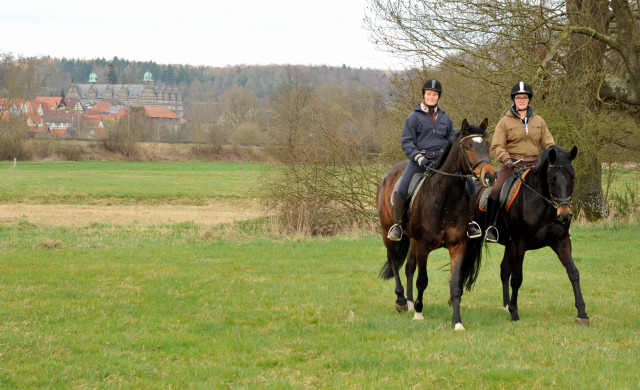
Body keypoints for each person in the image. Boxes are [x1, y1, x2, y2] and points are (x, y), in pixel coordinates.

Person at [387, 79, 482, 241]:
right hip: (420, 161)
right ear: (424, 95)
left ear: (439, 96)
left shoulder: (445, 117)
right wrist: (419, 158)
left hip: (441, 161)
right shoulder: (413, 118)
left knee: (471, 184)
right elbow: (407, 142)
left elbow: (452, 140)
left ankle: (471, 222)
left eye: (435, 94)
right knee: (402, 187)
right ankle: (398, 224)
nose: (431, 97)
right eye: (429, 94)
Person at [485, 81, 555, 242]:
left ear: (529, 99)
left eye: (524, 97)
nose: (521, 100)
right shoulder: (504, 122)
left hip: (534, 165)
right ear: (513, 100)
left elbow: (549, 143)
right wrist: (506, 159)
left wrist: (553, 155)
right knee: (495, 190)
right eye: (518, 97)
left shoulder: (539, 121)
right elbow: (496, 146)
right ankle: (491, 227)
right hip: (512, 166)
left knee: (555, 187)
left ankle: (558, 226)